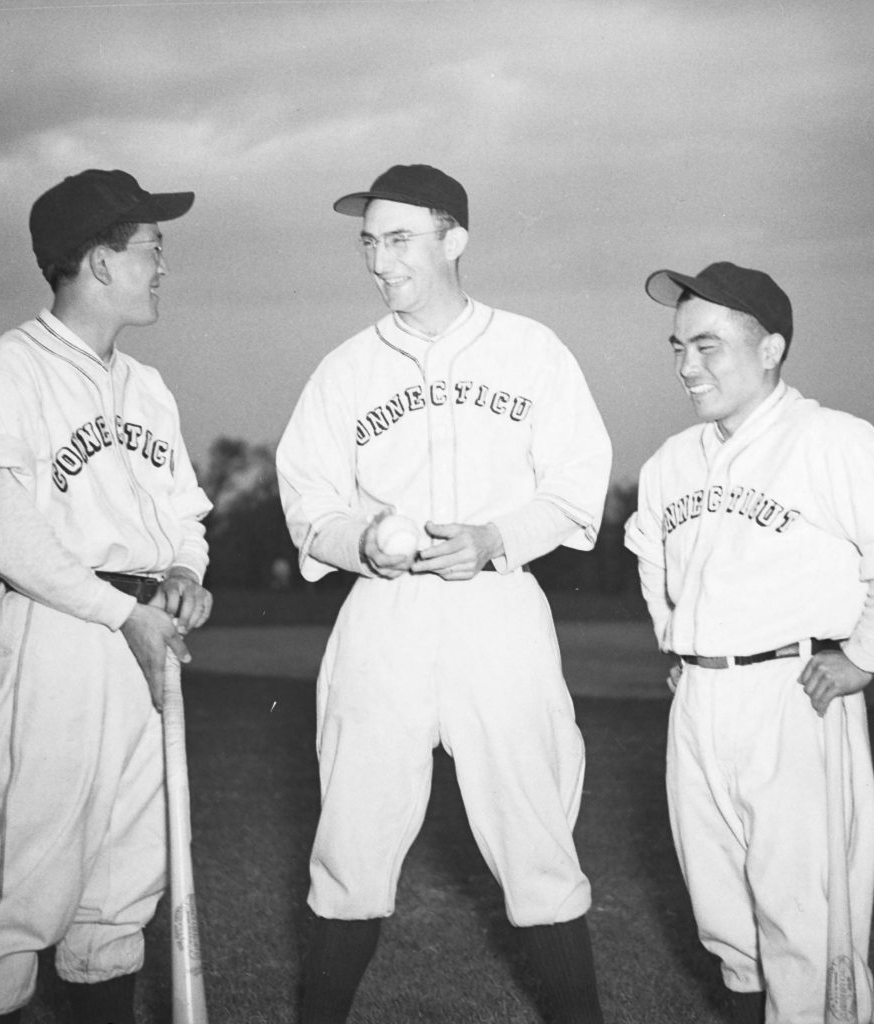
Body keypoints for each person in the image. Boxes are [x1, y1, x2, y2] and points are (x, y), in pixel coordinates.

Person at [276, 164, 613, 1023]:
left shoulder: (530, 349)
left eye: (398, 239)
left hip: (498, 606)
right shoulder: (347, 368)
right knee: (351, 842)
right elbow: (307, 498)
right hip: (384, 614)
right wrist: (361, 543)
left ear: (454, 239)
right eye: (368, 242)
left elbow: (578, 487)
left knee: (535, 836)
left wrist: (500, 537)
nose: (378, 261)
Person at [624, 261, 874, 1024]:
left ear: (770, 348)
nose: (687, 365)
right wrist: (679, 644)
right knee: (724, 917)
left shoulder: (829, 439)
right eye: (677, 348)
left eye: (708, 346)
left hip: (794, 695)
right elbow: (651, 557)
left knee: (805, 919)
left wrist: (866, 655)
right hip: (702, 699)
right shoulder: (673, 461)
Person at [0, 169, 213, 1024]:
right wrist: (120, 613)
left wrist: (184, 575)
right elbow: (1, 532)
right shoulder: (4, 371)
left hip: (141, 633)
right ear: (98, 262)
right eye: (150, 249)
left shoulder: (148, 385)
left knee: (123, 885)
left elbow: (184, 518)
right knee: (32, 884)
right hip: (51, 631)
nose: (162, 265)